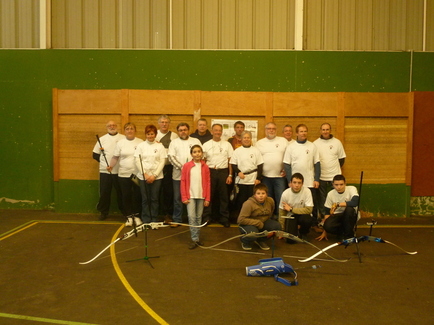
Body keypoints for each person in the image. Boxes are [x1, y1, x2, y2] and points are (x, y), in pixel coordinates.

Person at [108, 123, 143, 226]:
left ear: (135, 130)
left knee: (137, 195)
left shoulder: (140, 142)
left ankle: (136, 216)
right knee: (126, 195)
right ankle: (128, 217)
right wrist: (111, 166)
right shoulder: (120, 143)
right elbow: (115, 157)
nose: (130, 130)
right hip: (123, 174)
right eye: (127, 129)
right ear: (125, 131)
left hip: (137, 174)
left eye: (132, 128)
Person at [283, 124, 321, 221]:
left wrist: (316, 179)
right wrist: (290, 181)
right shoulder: (291, 147)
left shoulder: (312, 146)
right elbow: (287, 165)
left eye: (305, 131)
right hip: (296, 183)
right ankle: (295, 222)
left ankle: (314, 224)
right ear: (296, 133)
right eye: (301, 131)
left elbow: (317, 163)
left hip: (310, 182)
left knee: (313, 204)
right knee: (296, 203)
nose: (303, 133)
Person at [168, 123, 202, 226]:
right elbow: (171, 157)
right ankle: (177, 219)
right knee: (178, 198)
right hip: (178, 176)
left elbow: (200, 155)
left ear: (188, 130)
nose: (183, 131)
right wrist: (183, 168)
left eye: (185, 129)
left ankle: (194, 220)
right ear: (178, 132)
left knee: (193, 197)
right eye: (181, 130)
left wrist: (191, 169)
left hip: (194, 177)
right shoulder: (174, 142)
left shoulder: (195, 141)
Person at [202, 124, 234, 227]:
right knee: (209, 196)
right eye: (215, 130)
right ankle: (207, 218)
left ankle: (224, 218)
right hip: (210, 171)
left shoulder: (227, 145)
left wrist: (230, 175)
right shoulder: (206, 145)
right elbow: (203, 161)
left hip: (223, 172)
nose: (217, 132)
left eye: (219, 131)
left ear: (222, 132)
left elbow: (230, 161)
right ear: (211, 131)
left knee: (224, 196)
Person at [92, 121, 125, 220]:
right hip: (105, 171)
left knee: (121, 192)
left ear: (117, 127)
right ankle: (103, 212)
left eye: (114, 125)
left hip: (120, 171)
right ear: (106, 127)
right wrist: (104, 164)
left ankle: (125, 212)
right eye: (109, 126)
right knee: (105, 192)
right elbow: (95, 155)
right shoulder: (102, 139)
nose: (112, 127)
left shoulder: (123, 138)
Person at [135, 124, 167, 224]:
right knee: (145, 199)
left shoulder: (160, 146)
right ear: (145, 135)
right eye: (148, 134)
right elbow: (137, 161)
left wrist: (154, 175)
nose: (150, 136)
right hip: (143, 176)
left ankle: (154, 219)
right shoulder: (141, 146)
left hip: (157, 178)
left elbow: (162, 161)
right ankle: (146, 219)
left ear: (155, 134)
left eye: (152, 134)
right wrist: (145, 174)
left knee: (154, 199)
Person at [313, 123, 346, 219]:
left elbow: (341, 159)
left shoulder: (337, 142)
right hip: (321, 177)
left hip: (335, 177)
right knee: (322, 199)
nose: (325, 131)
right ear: (320, 131)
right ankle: (324, 218)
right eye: (323, 129)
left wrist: (334, 170)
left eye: (327, 129)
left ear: (330, 130)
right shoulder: (315, 144)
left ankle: (335, 217)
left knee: (335, 198)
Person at [181, 145, 211, 249]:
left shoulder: (205, 167)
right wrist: (184, 197)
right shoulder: (186, 166)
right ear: (191, 154)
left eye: (199, 151)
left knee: (199, 218)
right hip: (191, 196)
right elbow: (183, 181)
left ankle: (197, 238)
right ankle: (194, 239)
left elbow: (208, 182)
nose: (197, 154)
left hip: (201, 196)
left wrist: (207, 198)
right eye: (194, 152)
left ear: (202, 153)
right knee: (191, 217)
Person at [255, 122, 287, 217]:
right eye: (269, 128)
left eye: (273, 129)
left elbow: (289, 157)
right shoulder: (259, 143)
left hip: (279, 176)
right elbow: (256, 160)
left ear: (276, 130)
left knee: (280, 198)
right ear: (265, 130)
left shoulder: (283, 141)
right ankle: (268, 217)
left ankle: (281, 218)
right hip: (265, 176)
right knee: (267, 199)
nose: (271, 130)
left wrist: (285, 169)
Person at [237, 183, 282, 251]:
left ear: (266, 194)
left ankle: (260, 240)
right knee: (253, 233)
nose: (261, 196)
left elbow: (270, 213)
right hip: (248, 224)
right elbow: (240, 220)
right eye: (258, 193)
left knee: (276, 227)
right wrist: (257, 223)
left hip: (263, 222)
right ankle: (245, 241)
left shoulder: (270, 201)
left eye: (263, 193)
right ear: (254, 195)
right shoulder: (248, 204)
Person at [316, 174, 359, 241]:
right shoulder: (330, 194)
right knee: (328, 226)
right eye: (336, 185)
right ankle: (342, 233)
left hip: (350, 215)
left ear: (345, 184)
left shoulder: (352, 189)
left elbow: (355, 202)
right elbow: (327, 212)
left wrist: (338, 205)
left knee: (349, 209)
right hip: (337, 215)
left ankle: (349, 236)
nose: (339, 187)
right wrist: (325, 230)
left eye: (341, 184)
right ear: (333, 185)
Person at [230, 131, 264, 211]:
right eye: (244, 138)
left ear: (251, 139)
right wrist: (238, 172)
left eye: (248, 138)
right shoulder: (237, 151)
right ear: (241, 139)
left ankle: (252, 217)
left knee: (253, 200)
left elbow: (260, 165)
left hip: (253, 179)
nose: (246, 139)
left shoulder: (256, 151)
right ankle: (241, 217)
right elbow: (233, 164)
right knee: (241, 200)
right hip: (241, 179)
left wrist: (258, 178)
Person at [156, 115, 178, 223]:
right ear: (159, 123)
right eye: (162, 122)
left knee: (168, 192)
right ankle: (155, 214)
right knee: (156, 191)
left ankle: (167, 214)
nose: (164, 124)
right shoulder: (154, 134)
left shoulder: (174, 136)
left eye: (166, 122)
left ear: (169, 124)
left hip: (169, 167)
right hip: (156, 168)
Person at [279, 173, 314, 242]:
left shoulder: (307, 191)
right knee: (290, 241)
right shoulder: (285, 193)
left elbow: (309, 210)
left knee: (307, 219)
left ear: (302, 184)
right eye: (294, 182)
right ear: (290, 183)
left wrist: (291, 209)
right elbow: (281, 213)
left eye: (299, 183)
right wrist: (281, 230)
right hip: (291, 216)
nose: (297, 185)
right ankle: (294, 230)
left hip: (303, 216)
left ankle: (303, 233)